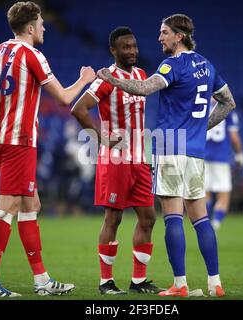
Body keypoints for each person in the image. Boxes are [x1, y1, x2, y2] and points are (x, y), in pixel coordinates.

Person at [0, 1, 96, 298]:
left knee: (31, 207)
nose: (44, 27)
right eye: (41, 23)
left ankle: (41, 281)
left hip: (0, 140)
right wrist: (84, 79)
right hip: (20, 142)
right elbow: (65, 99)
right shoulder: (33, 56)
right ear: (30, 27)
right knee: (8, 208)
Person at [97, 14, 236, 297]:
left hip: (171, 149)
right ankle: (215, 283)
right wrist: (201, 127)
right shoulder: (206, 65)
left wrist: (111, 78)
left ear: (179, 36)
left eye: (164, 33)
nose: (160, 38)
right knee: (201, 219)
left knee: (173, 218)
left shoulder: (172, 64)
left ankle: (180, 284)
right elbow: (228, 102)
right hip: (196, 152)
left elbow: (146, 88)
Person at [71, 27, 161, 295]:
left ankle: (138, 281)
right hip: (116, 160)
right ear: (114, 50)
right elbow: (78, 109)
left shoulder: (141, 76)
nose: (132, 51)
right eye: (125, 47)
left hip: (138, 160)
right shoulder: (106, 79)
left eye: (134, 46)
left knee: (148, 217)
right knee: (114, 218)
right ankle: (105, 282)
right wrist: (101, 138)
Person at [205, 98, 243, 231]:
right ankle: (215, 224)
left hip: (201, 156)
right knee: (224, 196)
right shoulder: (228, 110)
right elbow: (234, 137)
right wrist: (240, 154)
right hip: (221, 157)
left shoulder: (201, 108)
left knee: (205, 195)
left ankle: (205, 225)